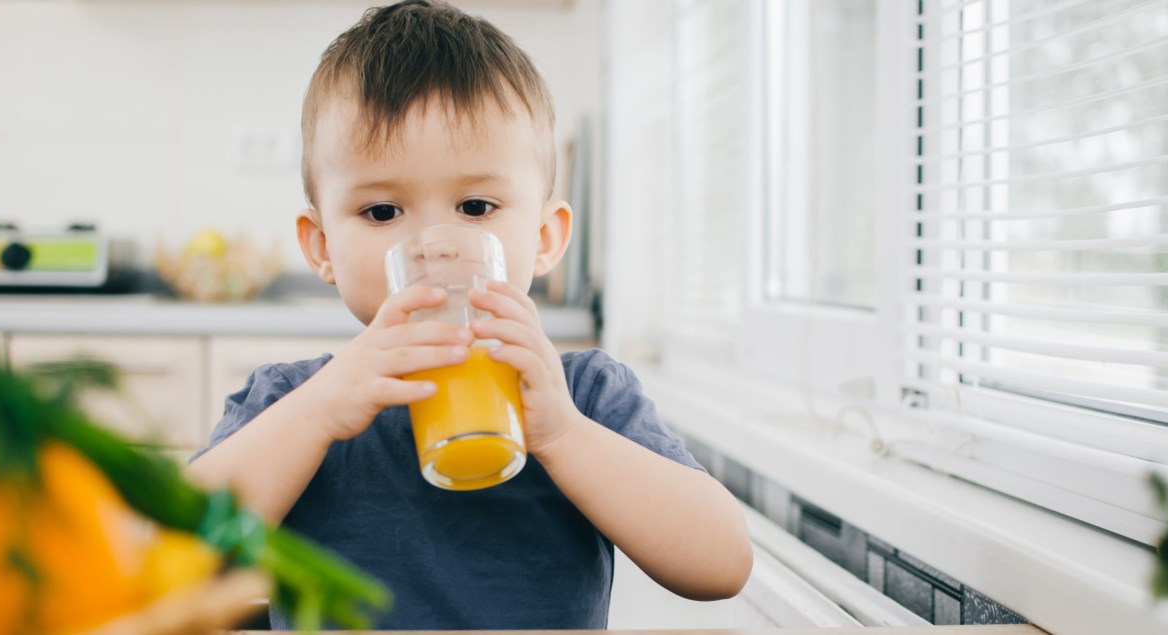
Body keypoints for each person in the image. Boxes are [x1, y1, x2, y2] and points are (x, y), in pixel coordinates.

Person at [187, 0, 752, 629]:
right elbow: (167, 562)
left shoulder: (585, 396)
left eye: (476, 206)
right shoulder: (288, 401)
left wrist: (562, 435)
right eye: (382, 212)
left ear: (543, 236)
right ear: (322, 248)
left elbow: (722, 566)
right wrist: (318, 413)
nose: (435, 243)